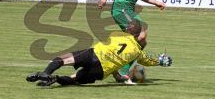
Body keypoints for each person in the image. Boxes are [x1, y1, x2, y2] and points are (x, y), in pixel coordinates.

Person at [26, 23, 172, 86]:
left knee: (63, 59)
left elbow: (114, 49)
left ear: (129, 31)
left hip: (94, 54)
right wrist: (161, 61)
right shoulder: (138, 53)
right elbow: (147, 61)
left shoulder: (117, 35)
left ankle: (46, 72)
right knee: (75, 79)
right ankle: (55, 78)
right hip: (102, 70)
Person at [98, 0, 166, 84]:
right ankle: (120, 71)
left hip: (130, 9)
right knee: (138, 36)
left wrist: (155, 2)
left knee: (142, 40)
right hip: (121, 7)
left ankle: (120, 71)